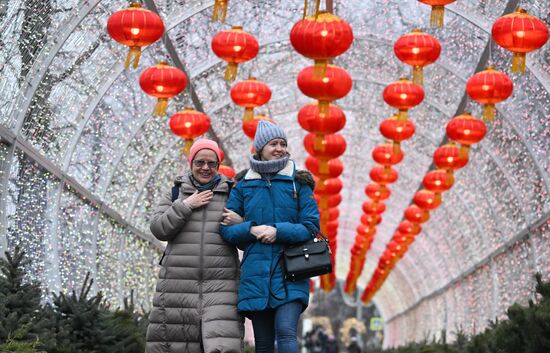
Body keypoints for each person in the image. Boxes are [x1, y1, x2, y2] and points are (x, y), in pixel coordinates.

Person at [220, 120, 320, 353]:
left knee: (286, 333)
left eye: (283, 144)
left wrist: (277, 231)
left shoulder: (299, 182)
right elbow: (226, 228)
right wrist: (251, 229)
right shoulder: (243, 185)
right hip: (256, 274)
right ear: (260, 148)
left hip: (291, 270)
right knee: (263, 343)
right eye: (273, 143)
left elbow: (311, 226)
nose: (279, 148)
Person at [146, 138, 244, 353]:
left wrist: (241, 224)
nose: (205, 168)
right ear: (191, 163)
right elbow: (159, 229)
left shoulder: (233, 193)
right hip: (176, 288)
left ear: (218, 166)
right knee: (175, 346)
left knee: (222, 346)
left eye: (212, 163)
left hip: (222, 288)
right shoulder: (175, 193)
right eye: (200, 162)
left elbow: (248, 240)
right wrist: (185, 206)